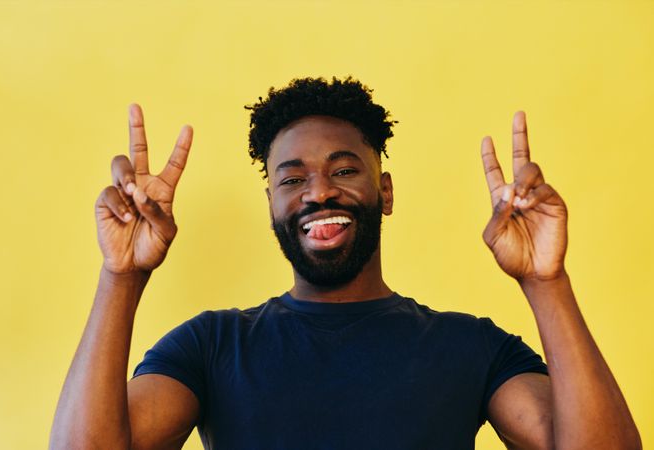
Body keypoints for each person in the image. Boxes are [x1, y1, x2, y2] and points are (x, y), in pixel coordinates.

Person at [50, 77, 641, 449]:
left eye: (343, 170)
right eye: (293, 179)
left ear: (384, 191)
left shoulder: (470, 347)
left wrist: (547, 282)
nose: (319, 192)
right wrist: (121, 278)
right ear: (273, 205)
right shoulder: (210, 346)